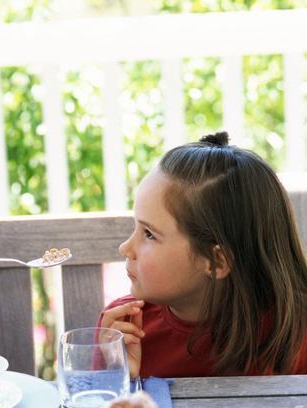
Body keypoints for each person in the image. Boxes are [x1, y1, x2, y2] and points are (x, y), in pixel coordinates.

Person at [100, 132, 307, 378]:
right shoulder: (122, 329)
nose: (125, 247)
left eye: (149, 234)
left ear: (216, 261)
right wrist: (120, 378)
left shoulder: (294, 331)